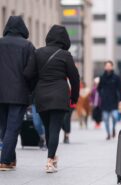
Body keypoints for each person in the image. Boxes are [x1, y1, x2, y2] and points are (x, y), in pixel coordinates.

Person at [23, 25, 80, 173]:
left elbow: (28, 74)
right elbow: (75, 78)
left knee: (49, 128)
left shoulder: (38, 53)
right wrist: (74, 97)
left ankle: (52, 157)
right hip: (60, 96)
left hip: (41, 95)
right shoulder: (65, 55)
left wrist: (33, 88)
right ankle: (50, 161)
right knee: (54, 129)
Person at [0, 16, 35, 171]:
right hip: (19, 93)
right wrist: (31, 90)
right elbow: (31, 72)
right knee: (13, 127)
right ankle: (4, 160)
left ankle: (11, 158)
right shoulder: (27, 46)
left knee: (5, 127)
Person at [98, 61, 121, 140]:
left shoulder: (116, 77)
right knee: (105, 119)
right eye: (107, 66)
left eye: (110, 66)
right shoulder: (102, 77)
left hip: (114, 100)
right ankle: (108, 133)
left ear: (112, 67)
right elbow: (99, 88)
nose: (108, 67)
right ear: (105, 67)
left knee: (115, 117)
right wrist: (101, 95)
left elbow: (120, 89)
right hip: (105, 101)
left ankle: (113, 129)